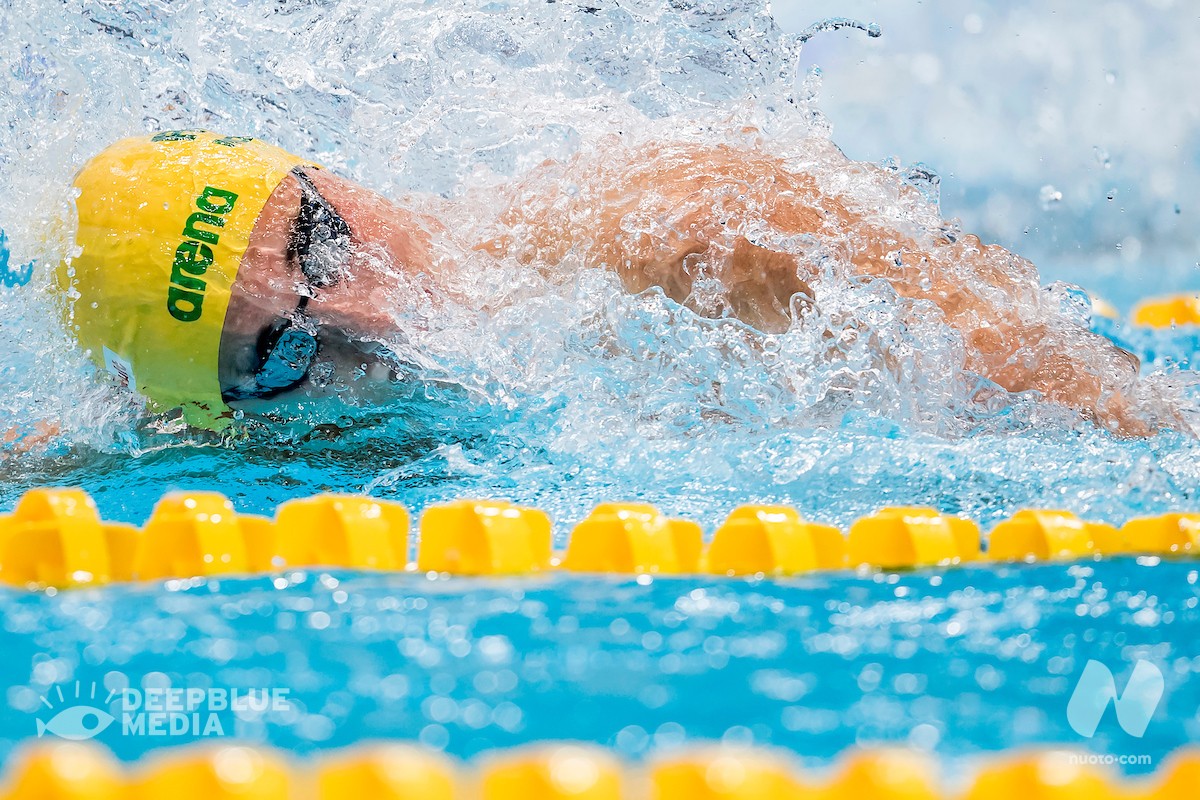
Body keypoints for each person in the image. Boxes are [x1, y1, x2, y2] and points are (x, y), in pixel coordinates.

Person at [61, 130, 1160, 435]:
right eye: (282, 348)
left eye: (322, 244)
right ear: (224, 416)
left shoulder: (662, 228)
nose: (370, 316)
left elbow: (1023, 350)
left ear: (325, 172)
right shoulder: (230, 441)